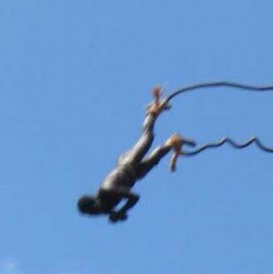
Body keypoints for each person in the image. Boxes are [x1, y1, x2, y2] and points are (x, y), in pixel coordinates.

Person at [77, 87, 194, 223]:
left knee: (148, 137)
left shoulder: (107, 191)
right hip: (134, 175)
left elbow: (134, 197)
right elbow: (123, 211)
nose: (96, 214)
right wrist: (118, 215)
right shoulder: (104, 208)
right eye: (92, 214)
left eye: (93, 211)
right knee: (156, 158)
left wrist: (121, 211)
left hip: (127, 164)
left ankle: (151, 112)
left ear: (94, 203)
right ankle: (173, 142)